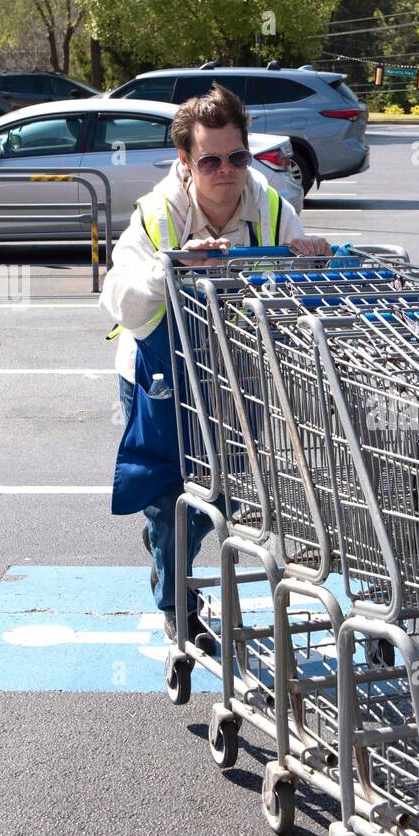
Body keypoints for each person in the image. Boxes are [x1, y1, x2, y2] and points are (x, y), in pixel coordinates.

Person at [98, 83, 328, 646]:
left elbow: (298, 292)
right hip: (160, 372)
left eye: (237, 157)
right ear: (185, 161)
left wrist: (314, 263)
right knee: (168, 494)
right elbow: (119, 298)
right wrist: (173, 268)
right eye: (210, 160)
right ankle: (176, 599)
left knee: (218, 493)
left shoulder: (273, 207)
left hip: (233, 370)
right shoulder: (158, 215)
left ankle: (168, 552)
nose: (226, 171)